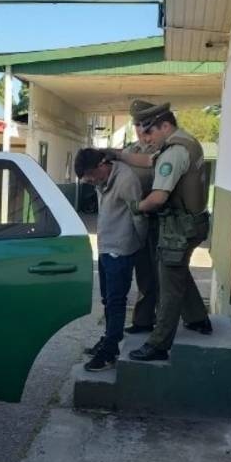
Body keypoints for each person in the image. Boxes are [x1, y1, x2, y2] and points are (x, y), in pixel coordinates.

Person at [112, 102, 213, 362]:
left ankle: (158, 345)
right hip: (192, 222)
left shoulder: (173, 152)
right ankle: (198, 318)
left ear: (165, 126)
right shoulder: (183, 142)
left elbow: (158, 197)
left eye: (149, 133)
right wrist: (118, 154)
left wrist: (137, 206)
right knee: (177, 271)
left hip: (181, 226)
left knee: (169, 285)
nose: (146, 139)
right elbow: (146, 159)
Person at [75, 148, 147, 371]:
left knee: (116, 301)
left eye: (92, 176)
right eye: (88, 180)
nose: (92, 182)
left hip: (122, 250)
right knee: (107, 299)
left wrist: (139, 243)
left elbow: (139, 216)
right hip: (106, 247)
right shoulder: (102, 181)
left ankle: (110, 350)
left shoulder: (126, 180)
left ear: (101, 165)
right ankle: (108, 337)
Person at [122, 99, 161, 334]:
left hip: (159, 219)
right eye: (136, 123)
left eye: (144, 123)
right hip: (137, 220)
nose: (140, 129)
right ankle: (144, 320)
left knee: (166, 275)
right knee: (144, 272)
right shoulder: (130, 151)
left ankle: (177, 319)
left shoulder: (162, 150)